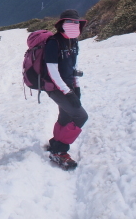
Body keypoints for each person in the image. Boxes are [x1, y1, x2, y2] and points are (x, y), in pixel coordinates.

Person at [44, 9, 88, 169]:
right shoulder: (53, 43)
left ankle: (55, 143)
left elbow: (73, 67)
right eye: (70, 22)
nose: (73, 25)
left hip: (68, 86)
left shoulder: (73, 41)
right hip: (56, 87)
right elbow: (52, 71)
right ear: (62, 24)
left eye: (76, 22)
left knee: (65, 116)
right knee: (80, 116)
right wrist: (67, 91)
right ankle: (58, 151)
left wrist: (75, 87)